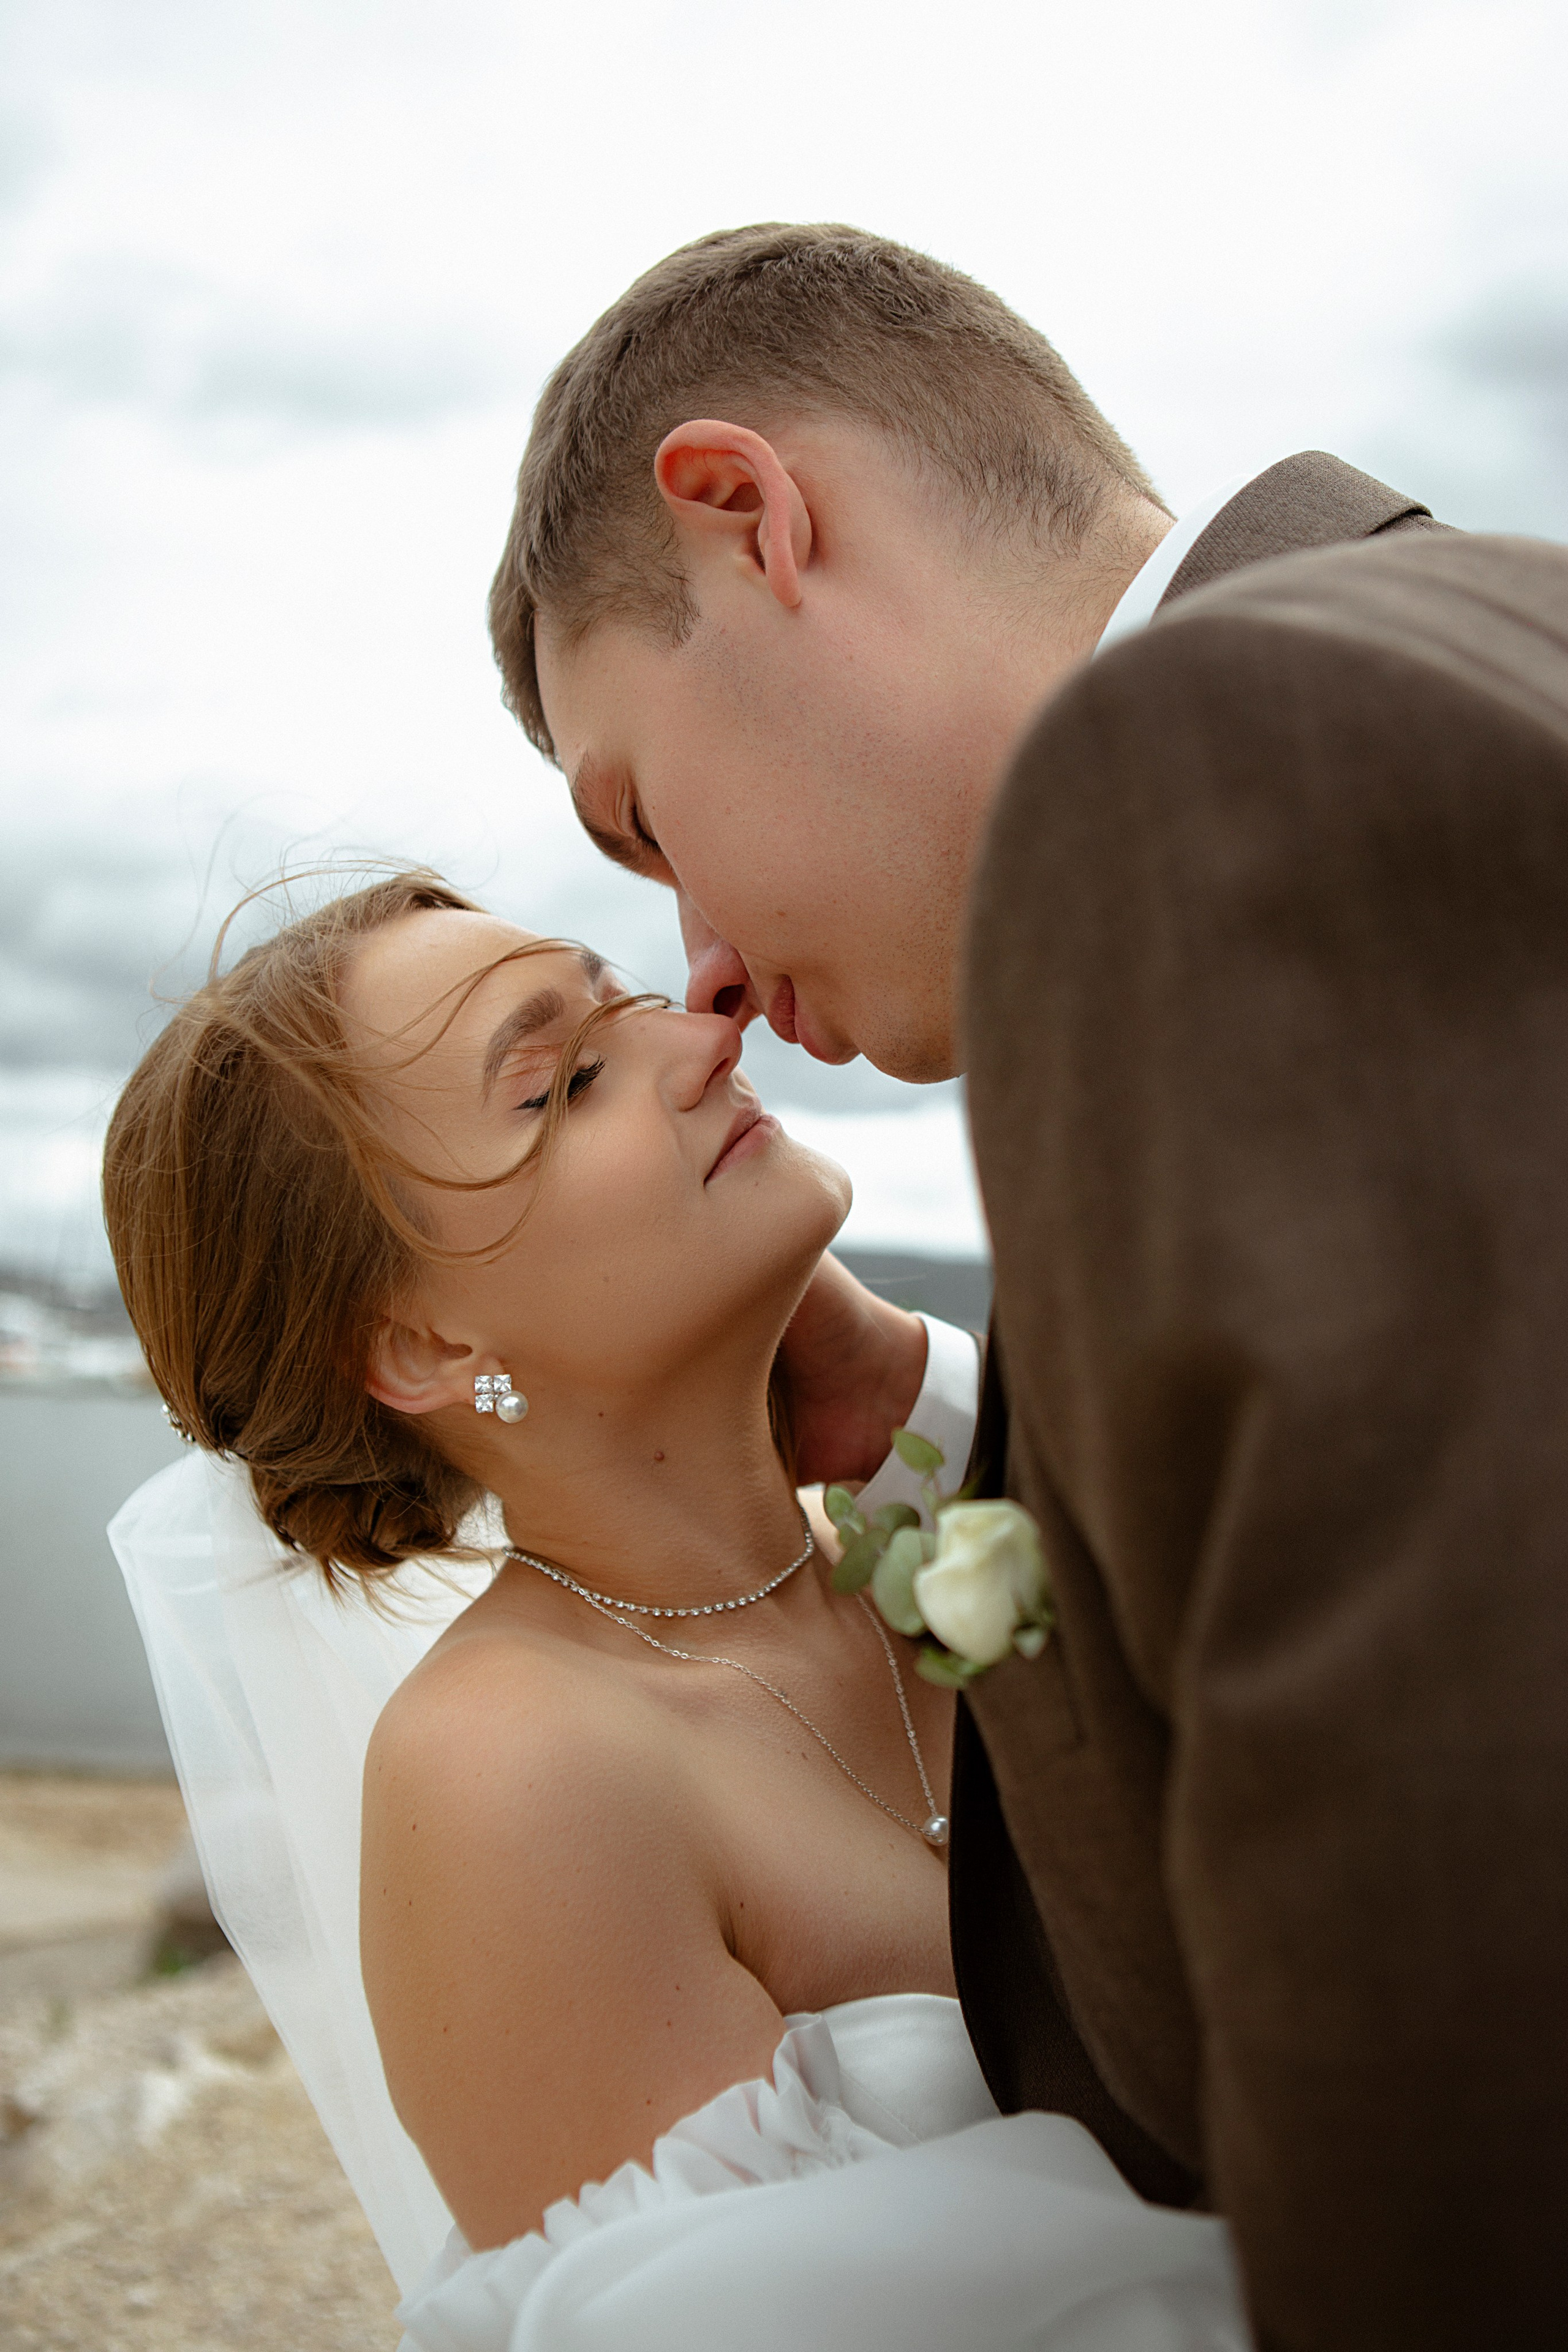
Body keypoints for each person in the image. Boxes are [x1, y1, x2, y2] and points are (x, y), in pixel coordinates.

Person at [489, 221, 1568, 2346]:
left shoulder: (1223, 750)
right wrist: (925, 1437)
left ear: (745, 517)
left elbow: (1454, 1949)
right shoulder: (1451, 641)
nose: (696, 959)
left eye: (642, 817)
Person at [102, 873, 1246, 2349]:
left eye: (627, 997)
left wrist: (911, 1395)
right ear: (424, 1343)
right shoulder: (517, 1779)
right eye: (564, 1082)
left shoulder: (939, 1543)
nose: (705, 1037)